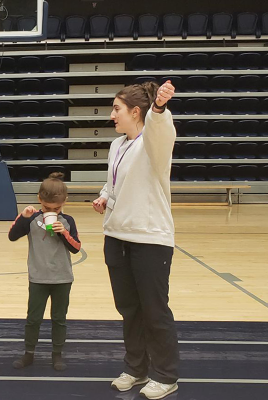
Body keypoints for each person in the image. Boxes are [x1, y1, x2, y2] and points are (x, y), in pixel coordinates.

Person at [92, 81, 180, 399]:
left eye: (117, 109)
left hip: (150, 239)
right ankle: (136, 368)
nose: (112, 115)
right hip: (116, 237)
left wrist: (159, 109)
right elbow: (114, 183)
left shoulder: (153, 143)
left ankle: (166, 375)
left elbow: (160, 130)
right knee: (129, 308)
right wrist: (104, 197)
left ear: (135, 112)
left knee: (154, 310)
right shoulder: (117, 145)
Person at [8, 172, 81, 371]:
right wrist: (23, 217)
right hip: (38, 278)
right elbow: (12, 236)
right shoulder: (31, 219)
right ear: (40, 200)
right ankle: (29, 353)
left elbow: (76, 247)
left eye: (56, 209)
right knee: (33, 318)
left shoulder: (68, 221)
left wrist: (63, 232)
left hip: (62, 278)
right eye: (47, 208)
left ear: (64, 201)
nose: (52, 211)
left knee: (59, 318)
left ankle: (57, 354)